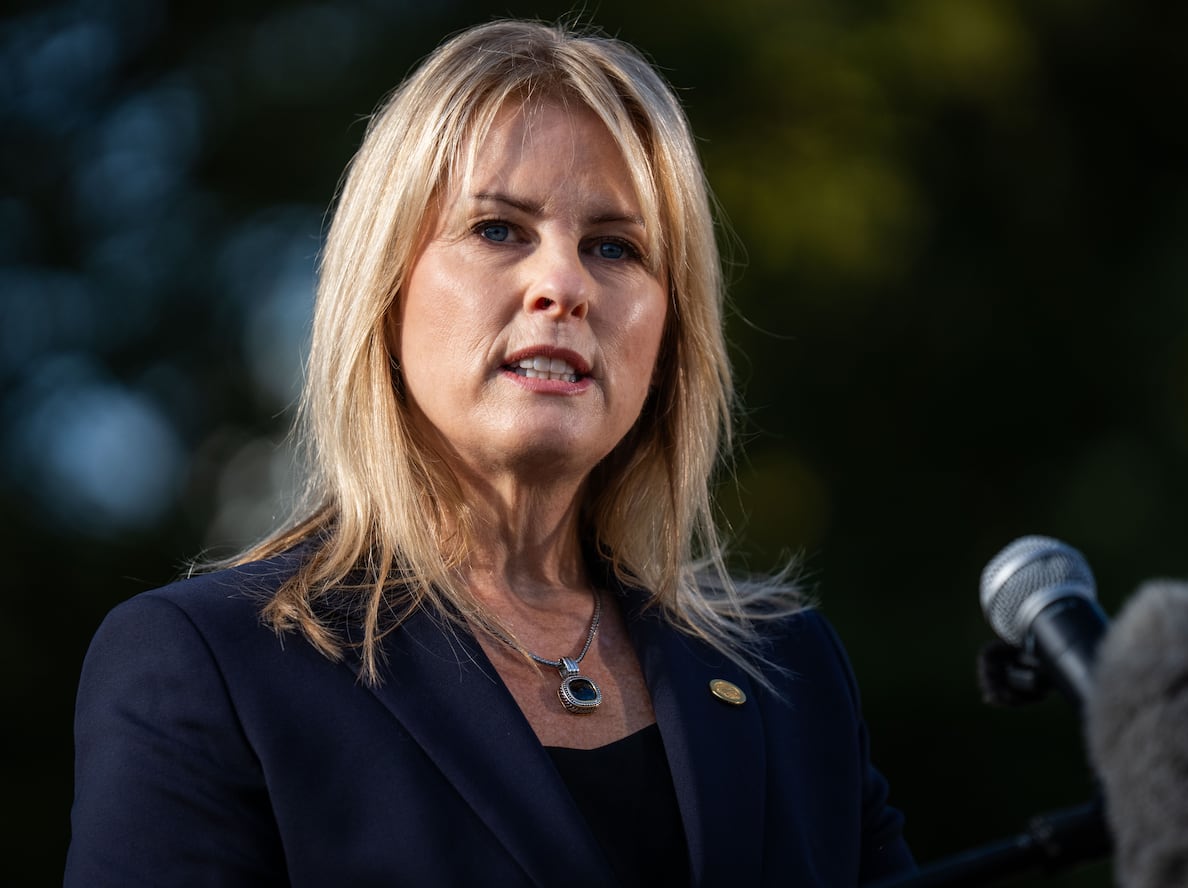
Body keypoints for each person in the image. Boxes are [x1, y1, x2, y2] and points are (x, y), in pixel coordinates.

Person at [66, 19, 915, 887]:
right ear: (385, 290)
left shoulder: (788, 673)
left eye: (614, 247)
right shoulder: (210, 667)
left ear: (670, 335)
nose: (565, 285)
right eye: (500, 230)